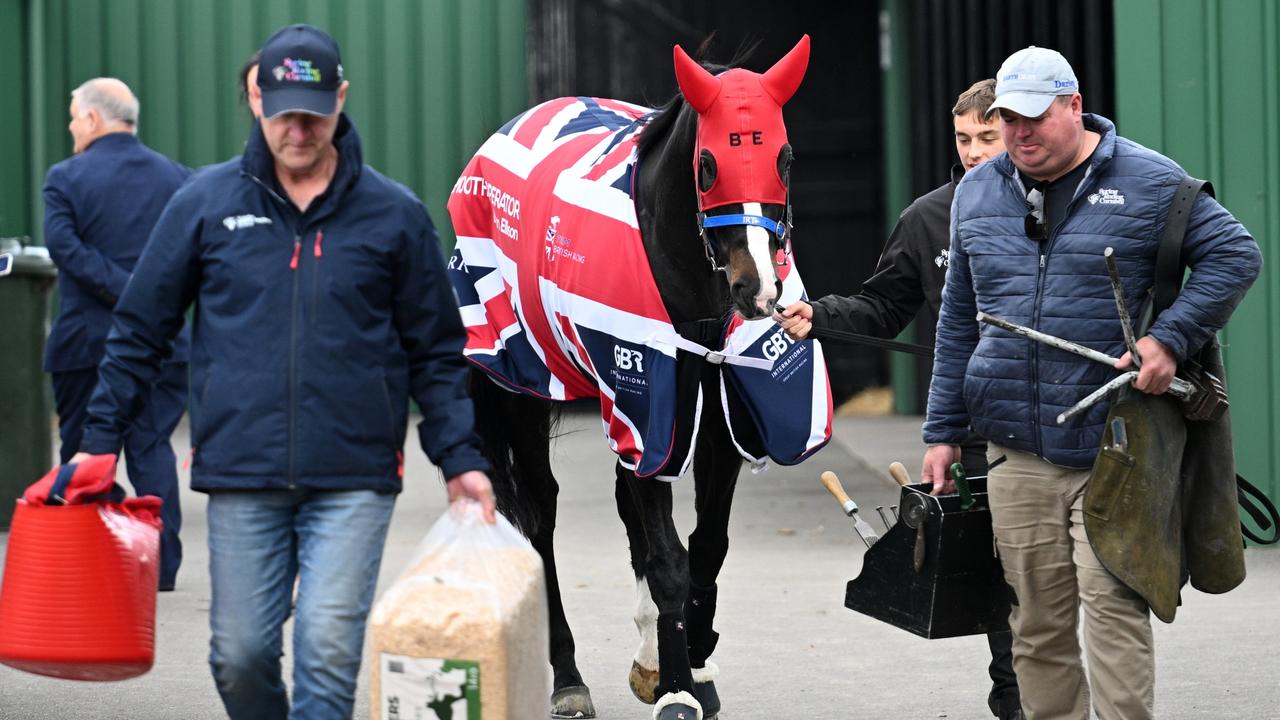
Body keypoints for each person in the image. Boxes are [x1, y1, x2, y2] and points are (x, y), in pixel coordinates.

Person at [71, 24, 496, 719]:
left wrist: (460, 458)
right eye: (282, 111)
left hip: (354, 474)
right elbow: (139, 330)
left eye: (313, 110)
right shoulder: (206, 205)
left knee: (327, 656)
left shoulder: (394, 216)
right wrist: (98, 441)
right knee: (238, 659)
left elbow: (435, 352)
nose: (297, 129)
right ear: (256, 100)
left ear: (341, 99)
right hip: (242, 470)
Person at [921, 46, 1261, 719]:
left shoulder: (1152, 183)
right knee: (1037, 626)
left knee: (1112, 608)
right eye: (1007, 120)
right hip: (1016, 449)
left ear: (1073, 107)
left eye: (1033, 119)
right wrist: (942, 432)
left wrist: (1170, 338)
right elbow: (959, 316)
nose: (1018, 135)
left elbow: (1234, 254)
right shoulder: (977, 194)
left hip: (1119, 443)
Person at [776, 79, 1022, 720]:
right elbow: (883, 308)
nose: (972, 152)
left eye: (986, 138)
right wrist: (820, 314)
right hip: (975, 426)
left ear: (1020, 132)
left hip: (1060, 420)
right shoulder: (927, 218)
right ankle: (1014, 697)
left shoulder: (1061, 204)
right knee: (1005, 573)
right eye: (964, 139)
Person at [42, 77, 192, 591]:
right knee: (151, 449)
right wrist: (147, 299)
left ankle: (86, 559)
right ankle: (161, 567)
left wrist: (125, 293)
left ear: (91, 119)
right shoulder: (177, 178)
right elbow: (192, 259)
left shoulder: (65, 178)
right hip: (164, 344)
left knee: (84, 452)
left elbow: (65, 250)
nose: (69, 126)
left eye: (72, 116)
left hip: (85, 344)